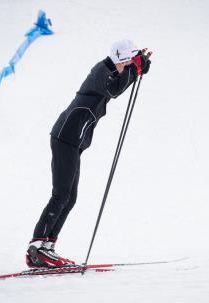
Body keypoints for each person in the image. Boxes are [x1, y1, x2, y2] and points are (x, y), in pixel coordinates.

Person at [26, 40, 151, 268]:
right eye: (128, 58)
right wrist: (135, 69)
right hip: (65, 138)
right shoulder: (101, 71)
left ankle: (47, 248)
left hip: (74, 141)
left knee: (69, 198)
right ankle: (37, 246)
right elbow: (114, 90)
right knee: (61, 195)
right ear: (119, 58)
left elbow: (117, 85)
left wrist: (136, 68)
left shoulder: (111, 71)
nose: (130, 61)